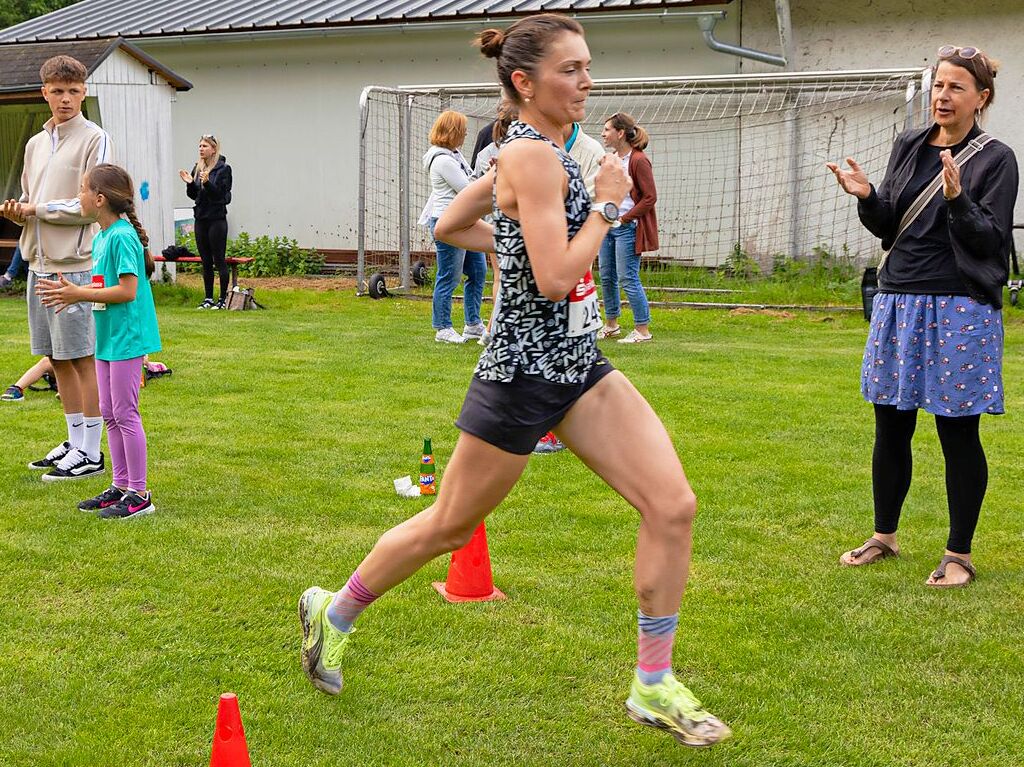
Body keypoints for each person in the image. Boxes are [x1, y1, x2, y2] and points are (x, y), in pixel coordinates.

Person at [297, 14, 732, 748]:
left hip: (580, 365)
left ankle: (653, 684)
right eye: (571, 70)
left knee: (673, 504)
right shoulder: (531, 157)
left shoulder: (530, 154)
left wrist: (516, 241)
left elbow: (454, 225)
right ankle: (332, 611)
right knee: (449, 527)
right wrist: (605, 205)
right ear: (525, 82)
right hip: (520, 373)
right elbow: (560, 275)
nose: (586, 82)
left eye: (589, 67)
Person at [828, 45, 1017, 587]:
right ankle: (883, 535)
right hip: (899, 297)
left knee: (957, 430)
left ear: (980, 98)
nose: (942, 95)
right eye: (938, 84)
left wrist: (958, 198)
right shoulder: (909, 145)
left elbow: (990, 241)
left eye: (956, 87)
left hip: (959, 304)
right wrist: (867, 196)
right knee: (891, 424)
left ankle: (959, 554)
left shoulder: (996, 158)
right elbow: (890, 224)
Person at [2, 54, 112, 482]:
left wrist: (36, 208)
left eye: (74, 91)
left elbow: (91, 205)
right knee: (56, 358)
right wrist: (19, 214)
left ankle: (91, 451)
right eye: (57, 91)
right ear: (43, 92)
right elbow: (31, 202)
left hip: (75, 266)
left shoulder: (95, 137)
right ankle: (74, 441)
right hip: (38, 264)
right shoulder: (34, 143)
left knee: (82, 358)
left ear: (84, 92)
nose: (65, 99)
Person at [37, 164, 161, 519]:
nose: (79, 196)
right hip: (106, 336)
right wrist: (73, 293)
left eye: (82, 190)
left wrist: (77, 293)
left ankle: (140, 493)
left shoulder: (122, 236)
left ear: (100, 198)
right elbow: (99, 285)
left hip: (127, 337)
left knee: (125, 413)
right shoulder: (102, 236)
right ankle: (121, 486)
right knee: (109, 413)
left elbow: (127, 290)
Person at [421, 110, 487, 344]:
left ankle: (473, 324)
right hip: (448, 223)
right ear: (452, 132)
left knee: (478, 272)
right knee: (450, 275)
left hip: (467, 223)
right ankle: (442, 327)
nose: (466, 135)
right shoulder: (442, 160)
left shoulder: (455, 156)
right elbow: (467, 190)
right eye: (463, 131)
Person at [597, 112, 657, 344]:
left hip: (627, 228)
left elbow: (650, 197)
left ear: (620, 133)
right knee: (606, 275)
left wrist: (625, 218)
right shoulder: (611, 159)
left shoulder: (639, 160)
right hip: (607, 226)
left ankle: (642, 329)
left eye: (607, 130)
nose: (603, 133)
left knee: (627, 277)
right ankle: (611, 325)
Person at [180, 134, 232, 310]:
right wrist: (189, 184)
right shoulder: (198, 168)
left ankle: (222, 299)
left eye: (205, 146)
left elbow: (222, 197)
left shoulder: (224, 169)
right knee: (205, 261)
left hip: (217, 219)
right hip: (201, 218)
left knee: (219, 260)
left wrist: (208, 183)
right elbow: (195, 195)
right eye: (200, 146)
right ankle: (208, 298)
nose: (201, 149)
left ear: (214, 149)